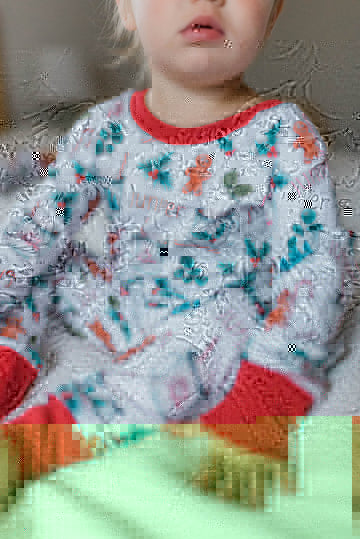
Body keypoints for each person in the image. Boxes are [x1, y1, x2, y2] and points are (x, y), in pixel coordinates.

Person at [0, 0, 355, 506]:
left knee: (222, 324)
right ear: (126, 10)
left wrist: (263, 403)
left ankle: (35, 440)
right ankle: (9, 356)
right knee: (43, 256)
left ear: (270, 17)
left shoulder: (282, 136)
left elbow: (313, 270)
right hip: (123, 304)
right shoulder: (105, 128)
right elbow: (33, 231)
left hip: (213, 317)